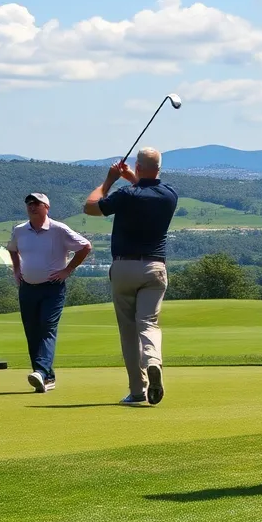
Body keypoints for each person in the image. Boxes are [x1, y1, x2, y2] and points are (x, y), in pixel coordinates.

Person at [84, 147, 179, 406]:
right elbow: (147, 191)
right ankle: (153, 360)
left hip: (124, 267)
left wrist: (109, 180)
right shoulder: (169, 195)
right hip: (154, 267)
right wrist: (132, 178)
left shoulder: (126, 195)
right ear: (159, 169)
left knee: (128, 331)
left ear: (137, 167)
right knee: (148, 323)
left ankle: (137, 390)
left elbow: (90, 207)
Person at [8, 193, 93, 393]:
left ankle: (40, 371)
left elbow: (85, 246)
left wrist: (67, 270)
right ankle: (46, 377)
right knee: (32, 331)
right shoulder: (20, 230)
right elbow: (12, 249)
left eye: (36, 204)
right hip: (27, 287)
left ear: (46, 207)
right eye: (29, 204)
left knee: (47, 327)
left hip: (52, 288)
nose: (32, 206)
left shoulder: (59, 229)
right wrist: (17, 270)